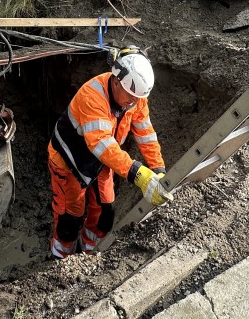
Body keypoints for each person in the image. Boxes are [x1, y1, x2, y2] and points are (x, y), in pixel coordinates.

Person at [47, 46, 171, 259]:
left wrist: (157, 168)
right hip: (68, 163)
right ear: (116, 82)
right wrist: (137, 174)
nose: (133, 102)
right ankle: (60, 257)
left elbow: (145, 133)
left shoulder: (136, 98)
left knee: (105, 213)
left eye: (137, 98)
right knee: (70, 218)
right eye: (130, 96)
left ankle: (87, 252)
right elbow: (101, 144)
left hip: (100, 163)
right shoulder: (92, 96)